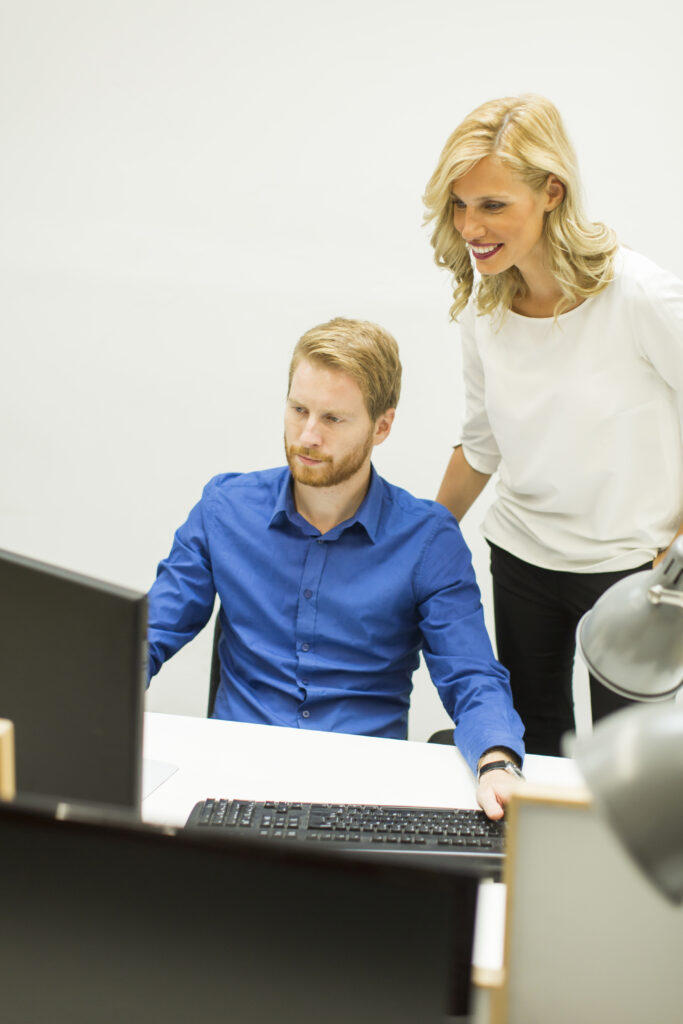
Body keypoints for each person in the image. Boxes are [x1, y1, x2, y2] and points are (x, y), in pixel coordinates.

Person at [147, 317, 524, 818]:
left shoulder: (428, 540)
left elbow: (472, 675)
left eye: (333, 419)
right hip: (231, 777)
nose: (307, 435)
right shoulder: (225, 509)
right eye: (298, 409)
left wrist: (497, 764)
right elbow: (150, 631)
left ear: (382, 426)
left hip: (361, 789)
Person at [423, 94, 683, 756]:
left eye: (491, 205)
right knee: (532, 748)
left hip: (630, 571)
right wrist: (420, 538)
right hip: (522, 560)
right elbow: (481, 445)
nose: (469, 225)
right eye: (459, 203)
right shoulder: (486, 305)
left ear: (550, 193)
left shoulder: (639, 295)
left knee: (622, 768)